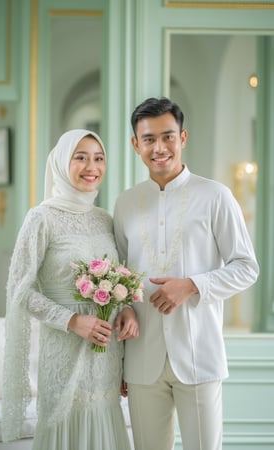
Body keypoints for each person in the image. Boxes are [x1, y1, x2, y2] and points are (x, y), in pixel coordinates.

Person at [113, 97, 259, 450]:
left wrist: (193, 285)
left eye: (168, 136)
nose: (159, 148)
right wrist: (125, 311)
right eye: (149, 139)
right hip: (142, 359)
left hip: (198, 355)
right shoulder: (125, 202)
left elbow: (246, 267)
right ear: (136, 144)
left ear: (183, 137)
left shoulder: (216, 196)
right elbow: (118, 274)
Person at [2, 129, 138, 450]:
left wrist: (128, 308)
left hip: (106, 355)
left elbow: (120, 281)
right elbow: (18, 291)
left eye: (98, 158)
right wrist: (72, 321)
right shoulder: (41, 218)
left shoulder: (106, 219)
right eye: (81, 157)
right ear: (63, 163)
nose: (91, 166)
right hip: (62, 352)